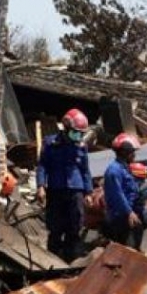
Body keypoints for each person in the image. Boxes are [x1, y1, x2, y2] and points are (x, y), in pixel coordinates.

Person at [36, 108, 93, 261]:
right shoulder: (50, 143)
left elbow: (85, 171)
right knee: (55, 227)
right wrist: (41, 186)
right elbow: (42, 166)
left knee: (74, 227)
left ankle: (70, 260)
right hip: (56, 190)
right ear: (66, 128)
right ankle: (52, 259)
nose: (78, 136)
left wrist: (88, 193)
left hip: (76, 192)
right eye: (76, 132)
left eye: (81, 133)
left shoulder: (81, 147)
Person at [103, 133, 147, 249]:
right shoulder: (114, 171)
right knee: (127, 250)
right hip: (121, 218)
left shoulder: (124, 168)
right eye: (132, 152)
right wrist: (129, 212)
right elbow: (118, 195)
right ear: (125, 153)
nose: (134, 155)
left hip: (129, 215)